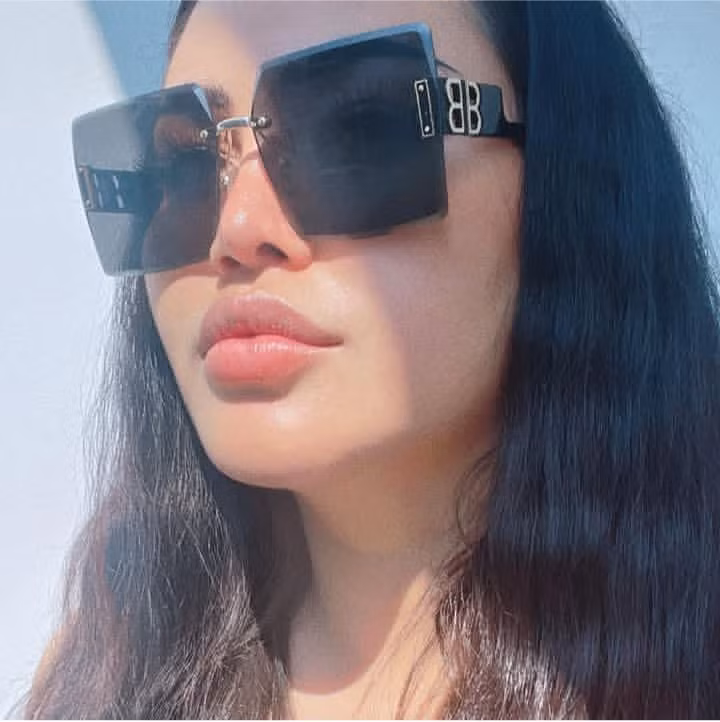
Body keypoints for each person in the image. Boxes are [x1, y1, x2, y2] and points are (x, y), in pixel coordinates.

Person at [23, 0, 720, 718]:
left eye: (360, 131)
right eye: (179, 164)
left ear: (569, 184)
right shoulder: (105, 675)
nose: (237, 230)